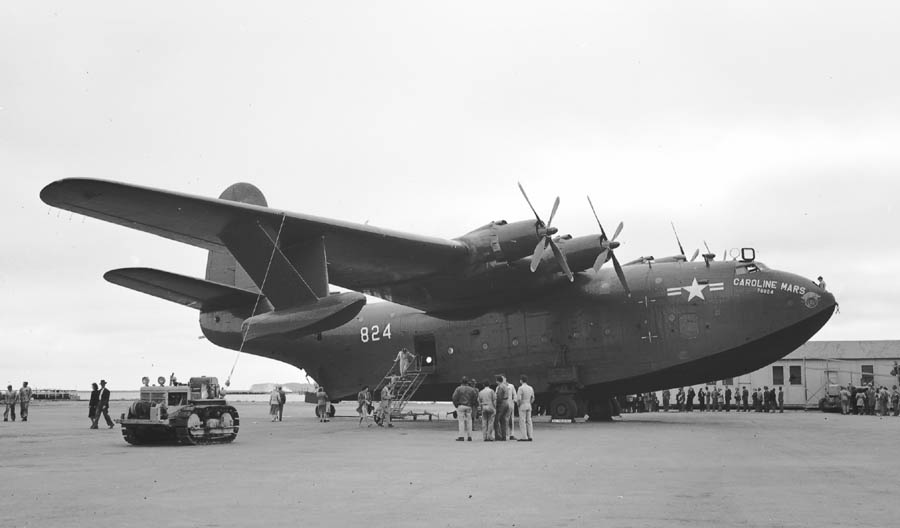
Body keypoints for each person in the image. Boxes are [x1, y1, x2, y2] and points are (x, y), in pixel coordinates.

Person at [451, 377, 478, 441]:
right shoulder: (471, 389)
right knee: (469, 421)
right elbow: (475, 397)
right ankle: (469, 437)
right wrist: (472, 404)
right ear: (467, 382)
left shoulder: (458, 389)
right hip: (469, 406)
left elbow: (454, 397)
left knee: (461, 421)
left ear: (461, 382)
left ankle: (461, 436)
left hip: (461, 406)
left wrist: (456, 405)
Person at [516, 375, 535, 441]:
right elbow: (533, 398)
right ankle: (530, 436)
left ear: (521, 380)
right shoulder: (530, 388)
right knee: (529, 421)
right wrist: (530, 403)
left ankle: (524, 436)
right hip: (529, 405)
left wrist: (518, 405)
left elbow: (518, 398)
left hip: (522, 405)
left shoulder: (520, 388)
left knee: (522, 421)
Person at [493, 375, 510, 440]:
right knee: (503, 421)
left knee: (496, 420)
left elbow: (499, 397)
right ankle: (504, 436)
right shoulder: (505, 386)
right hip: (506, 402)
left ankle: (498, 436)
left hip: (502, 403)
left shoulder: (500, 387)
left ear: (497, 381)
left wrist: (496, 405)